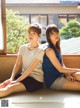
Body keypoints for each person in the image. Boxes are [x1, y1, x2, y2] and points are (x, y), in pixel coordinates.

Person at [0, 23, 44, 98]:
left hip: (35, 80)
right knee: (4, 84)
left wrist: (16, 81)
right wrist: (12, 77)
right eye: (29, 33)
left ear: (39, 36)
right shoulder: (23, 47)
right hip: (23, 76)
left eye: (34, 33)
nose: (31, 35)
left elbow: (30, 69)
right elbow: (17, 64)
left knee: (10, 88)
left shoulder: (40, 50)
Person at [42, 24, 80, 91]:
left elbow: (62, 64)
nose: (56, 35)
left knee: (78, 75)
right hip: (53, 80)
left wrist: (67, 75)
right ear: (48, 36)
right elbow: (60, 69)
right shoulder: (49, 50)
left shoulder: (57, 47)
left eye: (57, 33)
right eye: (52, 33)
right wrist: (77, 69)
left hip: (61, 75)